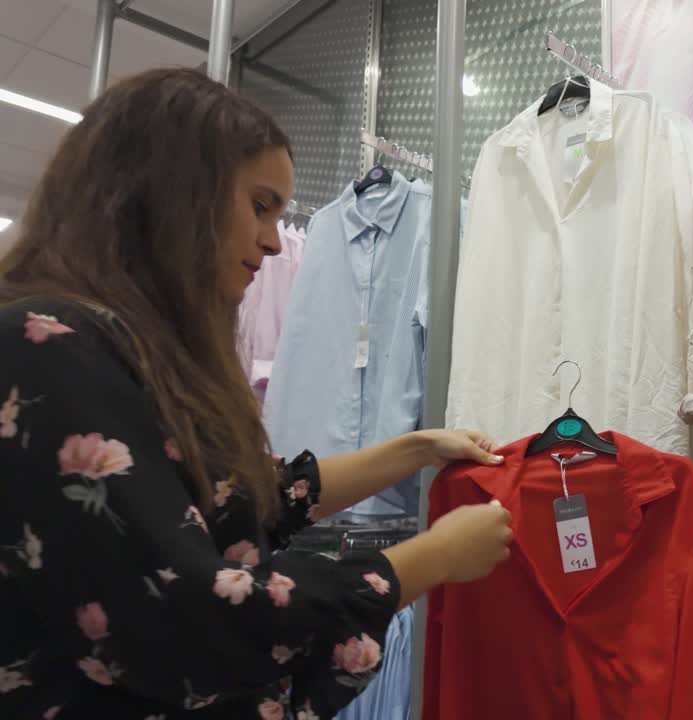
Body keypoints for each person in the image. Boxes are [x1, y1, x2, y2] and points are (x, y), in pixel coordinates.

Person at [0, 68, 514, 719]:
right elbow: (194, 618)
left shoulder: (120, 346)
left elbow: (234, 497)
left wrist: (414, 449)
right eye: (260, 205)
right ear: (176, 195)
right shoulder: (50, 347)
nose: (275, 241)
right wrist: (427, 559)